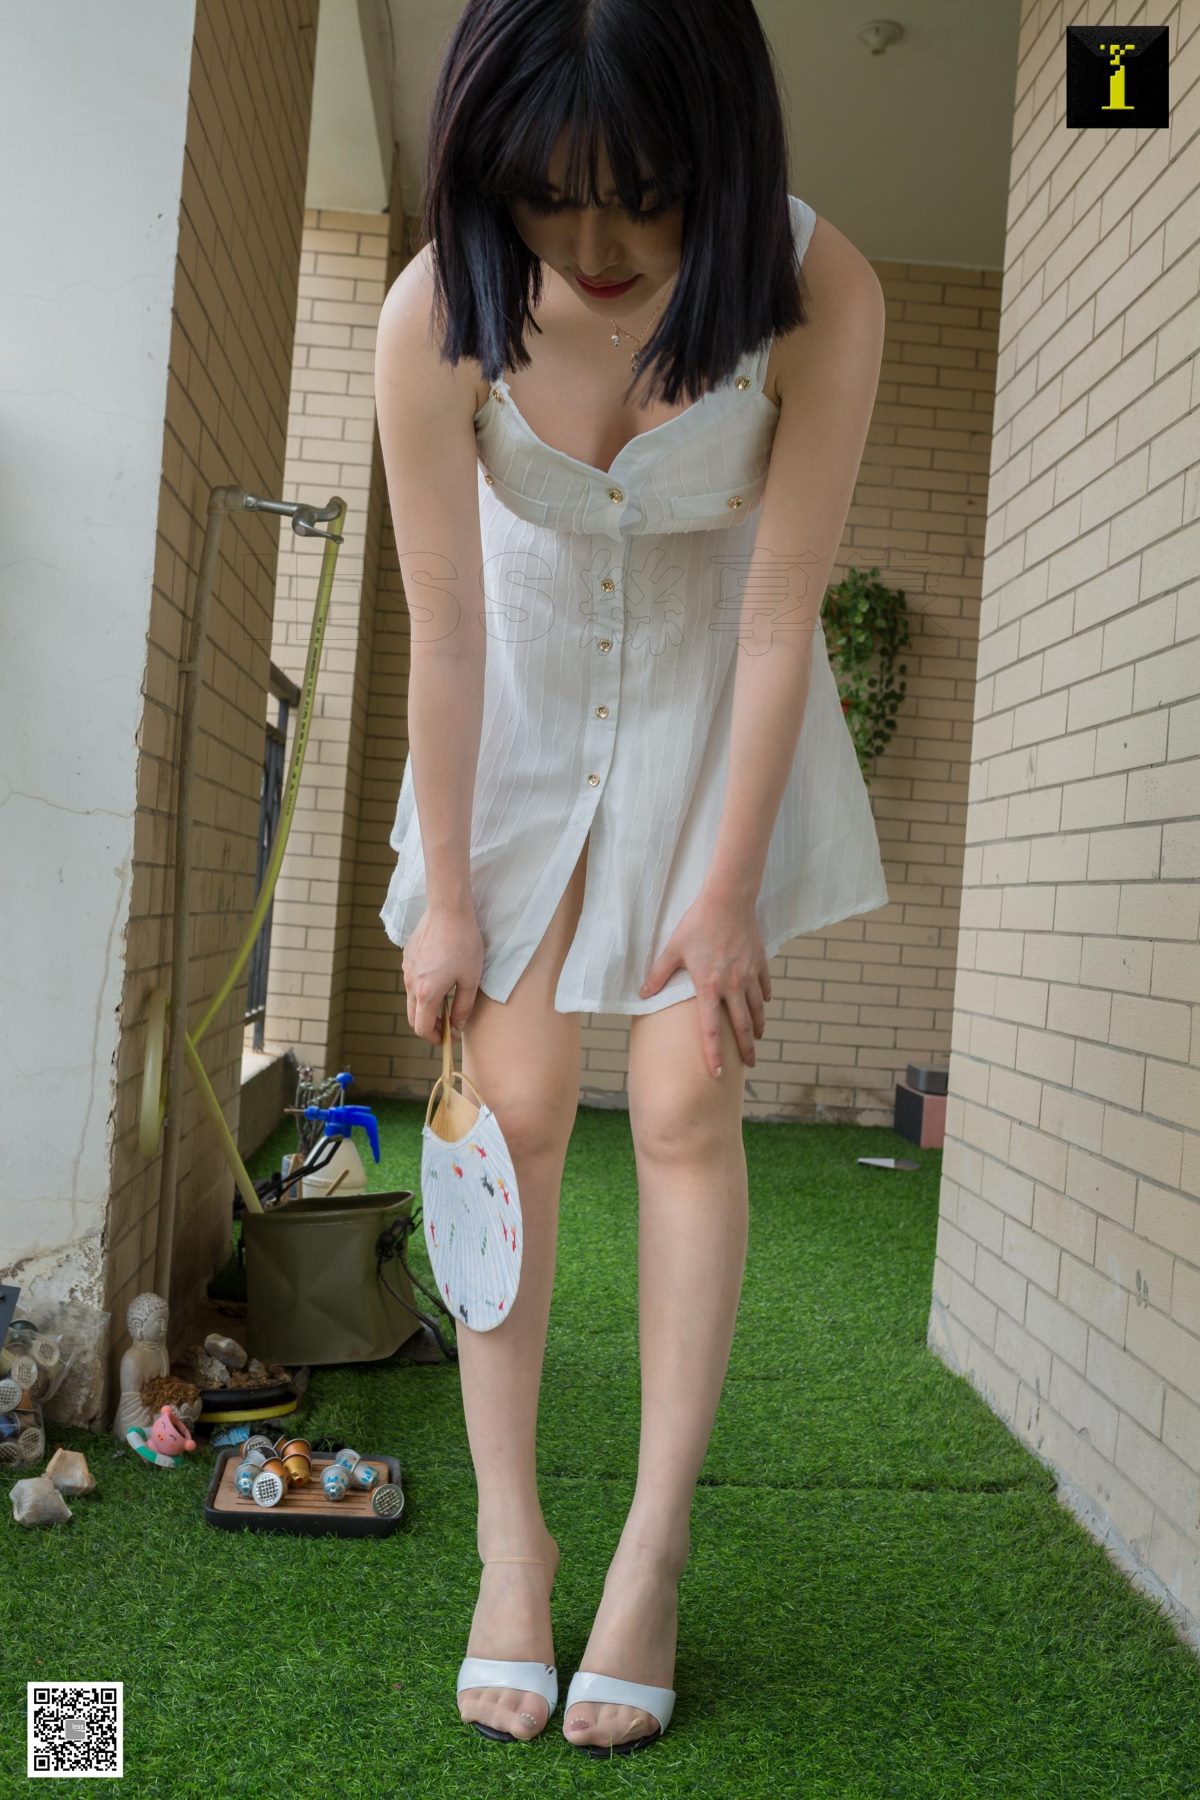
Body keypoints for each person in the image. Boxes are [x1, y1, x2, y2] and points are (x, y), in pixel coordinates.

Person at [373, 0, 887, 1757]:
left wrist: (728, 891)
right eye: (548, 194)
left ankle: (651, 1557)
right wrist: (452, 892)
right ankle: (511, 1552)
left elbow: (779, 614)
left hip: (713, 715)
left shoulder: (822, 293)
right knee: (506, 1110)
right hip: (511, 716)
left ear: (721, 153)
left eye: (645, 193)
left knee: (681, 1102)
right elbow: (444, 631)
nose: (593, 244)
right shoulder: (434, 311)